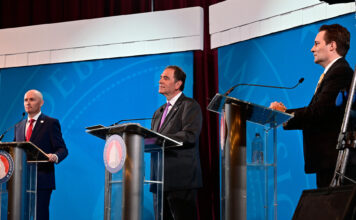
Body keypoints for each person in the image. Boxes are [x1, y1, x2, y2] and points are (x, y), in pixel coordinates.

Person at [270, 24, 354, 188]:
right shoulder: (334, 73)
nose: (311, 49)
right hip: (328, 162)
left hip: (335, 163)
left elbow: (320, 112)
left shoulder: (340, 72)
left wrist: (285, 113)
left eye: (316, 44)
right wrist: (285, 114)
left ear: (332, 46)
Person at [151, 66, 203, 220]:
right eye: (160, 77)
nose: (160, 81)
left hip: (181, 182)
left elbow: (189, 135)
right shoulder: (158, 112)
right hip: (158, 182)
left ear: (178, 84)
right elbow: (152, 141)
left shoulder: (189, 105)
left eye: (165, 78)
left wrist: (159, 139)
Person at [14, 89, 68, 220]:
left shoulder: (50, 123)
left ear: (41, 103)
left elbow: (62, 149)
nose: (28, 103)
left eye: (32, 99)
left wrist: (55, 156)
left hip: (42, 179)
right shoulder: (18, 126)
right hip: (21, 180)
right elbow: (15, 150)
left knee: (40, 215)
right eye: (26, 100)